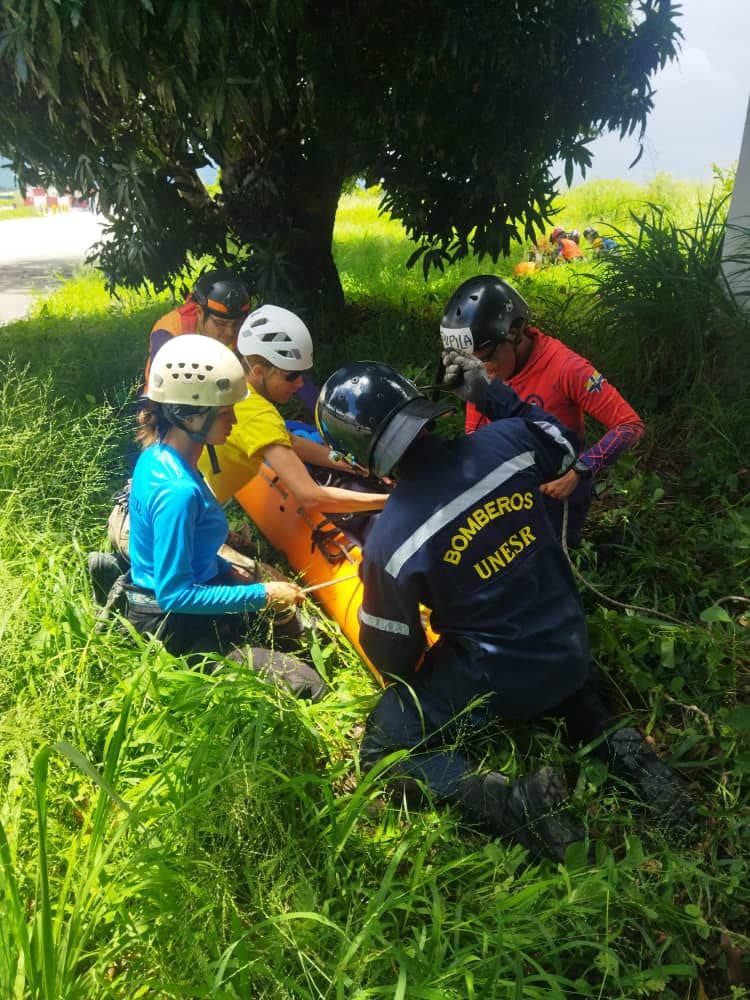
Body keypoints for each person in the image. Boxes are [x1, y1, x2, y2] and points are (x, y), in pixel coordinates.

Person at [315, 361, 695, 860]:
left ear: (359, 458)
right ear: (419, 407)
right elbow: (564, 445)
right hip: (568, 644)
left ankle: (514, 804)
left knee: (383, 749)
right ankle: (621, 747)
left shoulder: (392, 541)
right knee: (566, 690)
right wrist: (492, 394)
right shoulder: (510, 443)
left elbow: (392, 656)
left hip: (501, 680)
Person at [122, 333, 325, 699]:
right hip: (174, 627)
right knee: (311, 687)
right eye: (225, 411)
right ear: (190, 415)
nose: (234, 419)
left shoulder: (158, 456)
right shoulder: (178, 491)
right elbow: (174, 595)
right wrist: (262, 594)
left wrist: (225, 560)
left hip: (189, 591)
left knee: (293, 632)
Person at [441, 275, 644, 547]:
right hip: (511, 490)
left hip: (557, 490)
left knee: (557, 555)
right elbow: (474, 437)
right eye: (472, 363)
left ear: (514, 333)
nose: (484, 370)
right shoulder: (481, 374)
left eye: (487, 358)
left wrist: (581, 469)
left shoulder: (566, 368)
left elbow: (630, 425)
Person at [198, 304, 390, 518]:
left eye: (301, 374)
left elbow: (292, 442)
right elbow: (310, 497)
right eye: (291, 376)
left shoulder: (231, 380)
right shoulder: (258, 415)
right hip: (193, 508)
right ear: (259, 371)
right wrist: (390, 501)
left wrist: (352, 464)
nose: (300, 384)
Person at [144, 268, 251, 383]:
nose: (230, 333)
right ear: (199, 312)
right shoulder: (169, 334)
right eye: (220, 324)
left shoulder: (246, 328)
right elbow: (165, 385)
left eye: (236, 324)